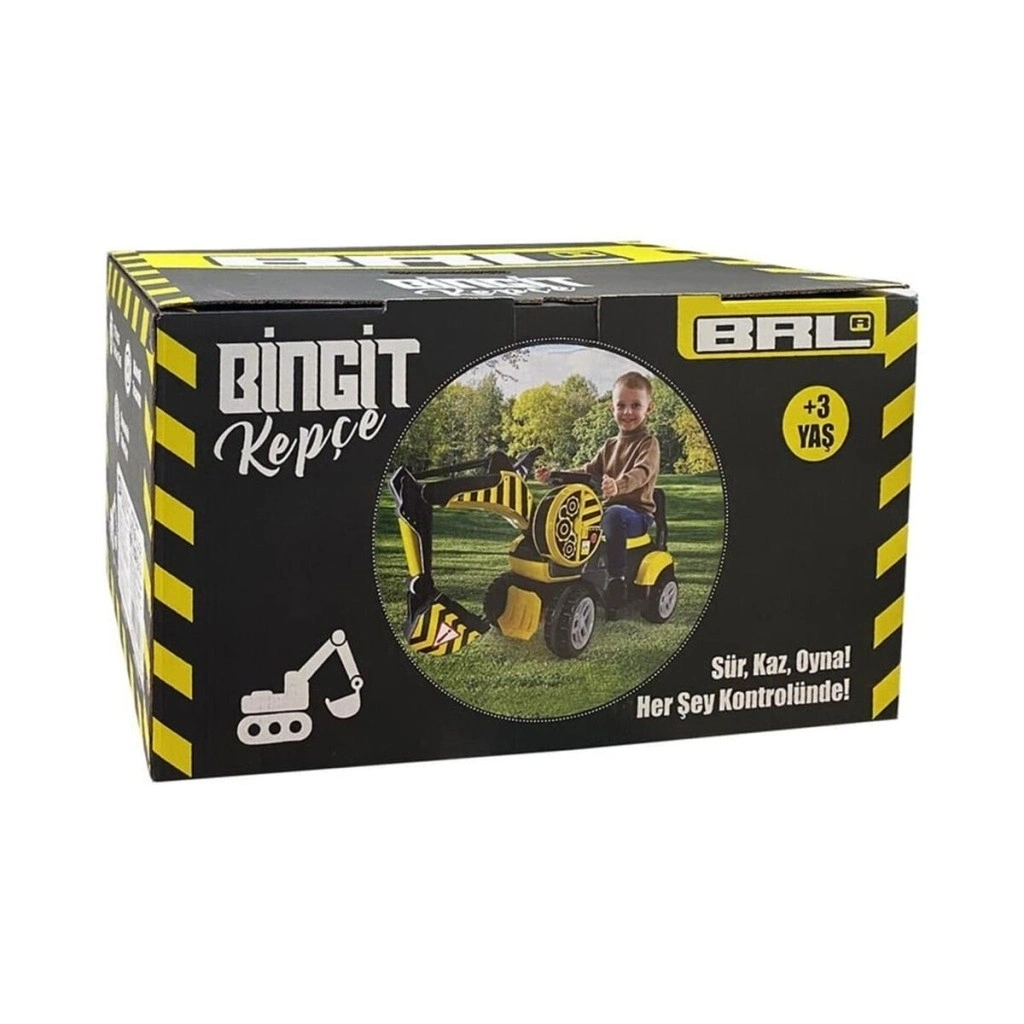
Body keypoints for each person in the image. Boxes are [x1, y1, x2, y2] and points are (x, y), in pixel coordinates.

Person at [536, 372, 660, 607]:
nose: (627, 412)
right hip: (608, 512)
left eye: (636, 405)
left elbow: (642, 472)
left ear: (649, 408)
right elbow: (587, 471)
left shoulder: (648, 443)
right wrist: (554, 476)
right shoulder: (609, 445)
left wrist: (618, 485)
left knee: (613, 514)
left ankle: (616, 579)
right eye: (621, 405)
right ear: (612, 409)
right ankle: (567, 570)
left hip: (637, 515)